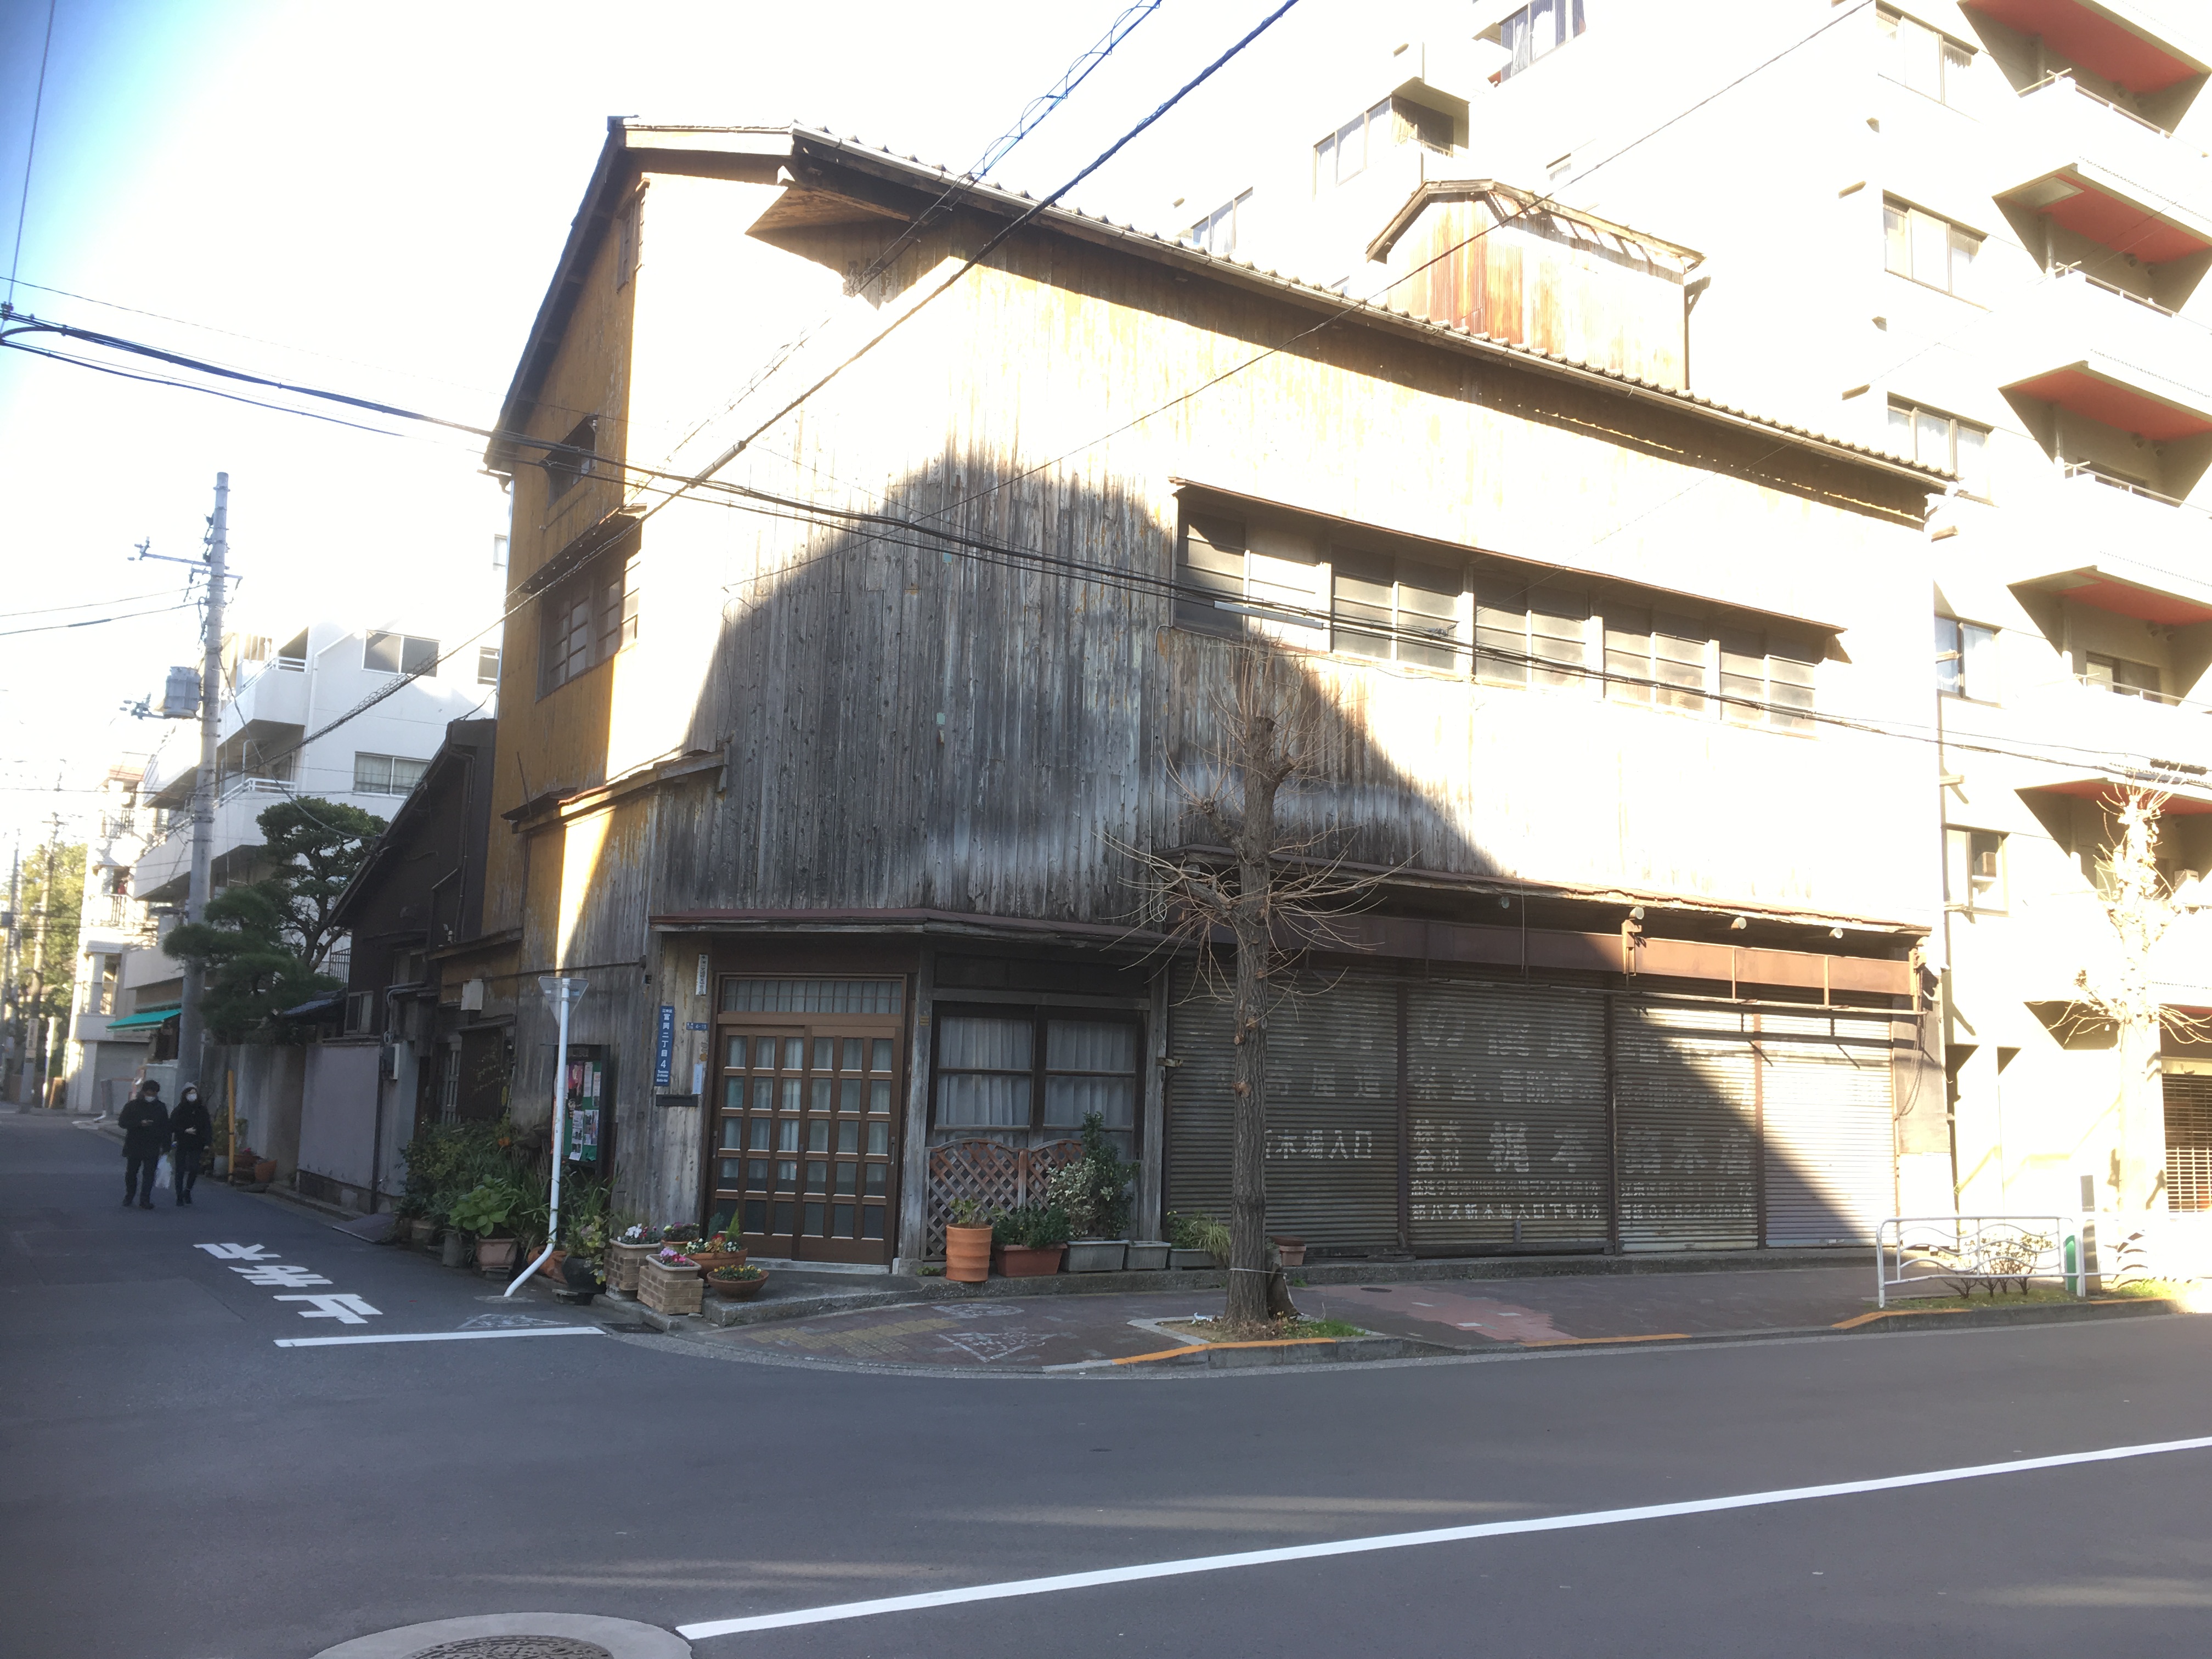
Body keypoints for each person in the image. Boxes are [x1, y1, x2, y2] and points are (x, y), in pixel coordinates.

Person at [118, 1081, 170, 1210]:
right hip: (134, 1143)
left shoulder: (161, 1108)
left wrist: (166, 1146)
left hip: (153, 1144)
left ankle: (145, 1200)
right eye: (148, 1093)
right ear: (143, 1092)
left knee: (149, 1174)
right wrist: (139, 1123)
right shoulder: (133, 1106)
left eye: (154, 1093)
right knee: (131, 1173)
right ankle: (129, 1196)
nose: (151, 1096)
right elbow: (123, 1122)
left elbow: (166, 1128)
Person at [170, 1084, 212, 1206]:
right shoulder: (180, 1110)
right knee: (180, 1170)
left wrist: (207, 1142)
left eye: (194, 1093)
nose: (192, 1096)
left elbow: (207, 1127)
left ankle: (187, 1191)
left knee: (194, 1168)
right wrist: (184, 1130)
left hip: (197, 1143)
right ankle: (179, 1195)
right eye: (189, 1094)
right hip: (182, 1142)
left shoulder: (202, 1110)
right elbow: (172, 1125)